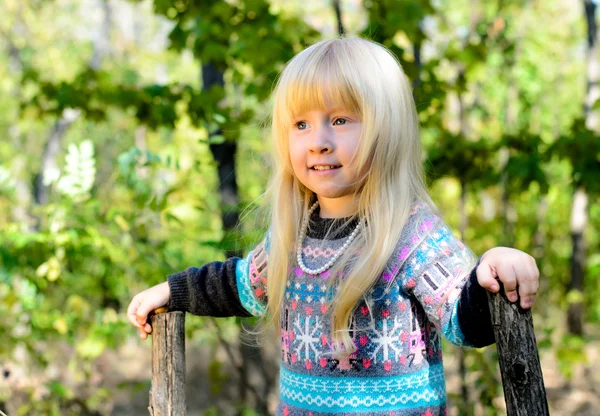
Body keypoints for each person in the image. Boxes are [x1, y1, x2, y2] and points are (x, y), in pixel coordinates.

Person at [127, 37, 539, 415]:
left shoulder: (410, 234)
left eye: (340, 120)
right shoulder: (293, 234)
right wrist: (172, 290)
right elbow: (237, 286)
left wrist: (495, 268)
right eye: (301, 124)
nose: (317, 140)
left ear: (386, 129)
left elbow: (464, 320)